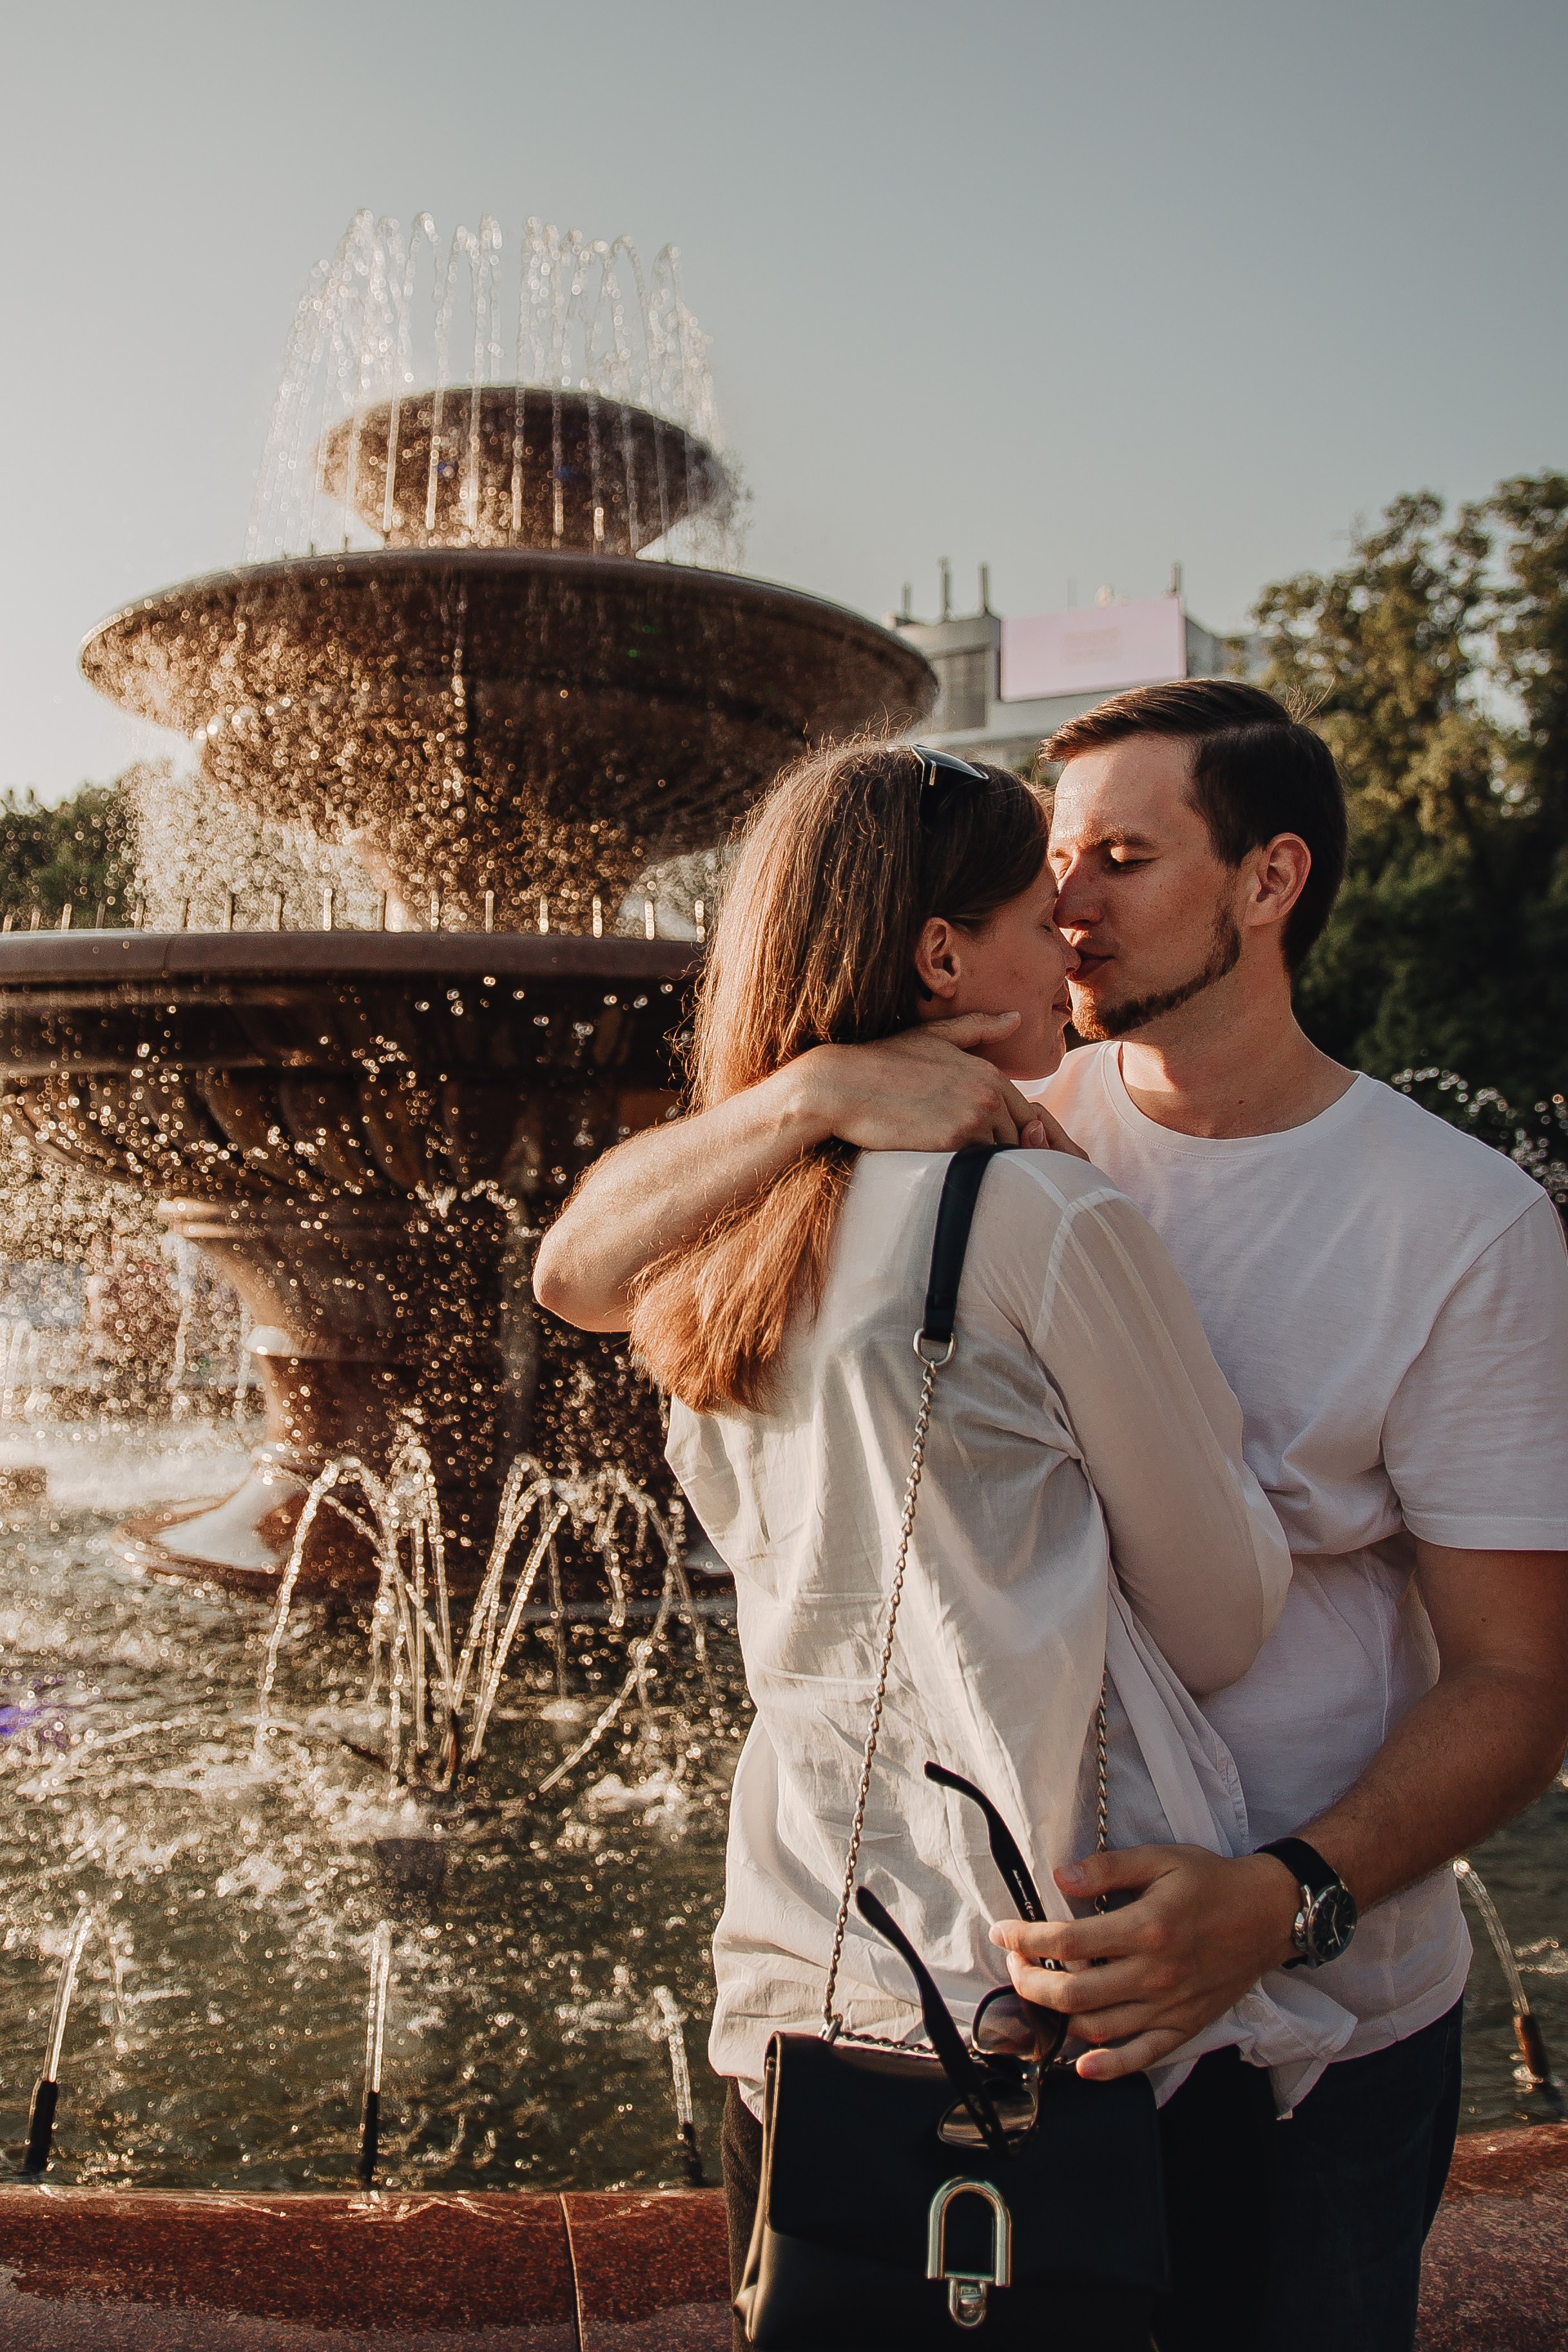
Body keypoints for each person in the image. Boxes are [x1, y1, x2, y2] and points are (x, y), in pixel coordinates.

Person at [534, 681, 1568, 2351]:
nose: (1067, 901)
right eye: (1052, 863)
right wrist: (811, 1091)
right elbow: (579, 1267)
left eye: (1119, 859)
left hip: (1314, 2023)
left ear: (1268, 879)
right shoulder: (974, 1122)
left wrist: (1280, 1898)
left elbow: (1519, 1679)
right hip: (993, 1988)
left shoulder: (1460, 1224)